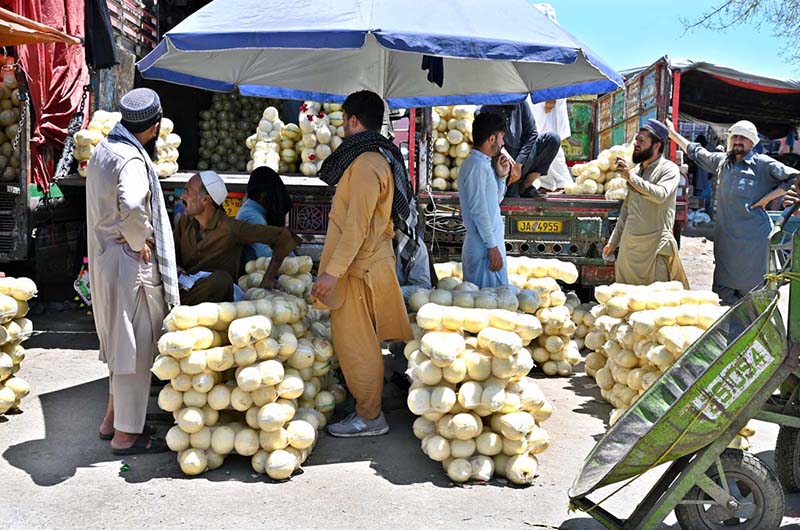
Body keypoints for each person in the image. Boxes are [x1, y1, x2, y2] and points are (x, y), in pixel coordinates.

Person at [311, 90, 413, 437]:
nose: (342, 128)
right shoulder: (371, 158)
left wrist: (331, 274)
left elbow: (356, 226)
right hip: (365, 263)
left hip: (359, 268)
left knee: (357, 345)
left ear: (354, 121)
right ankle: (369, 409)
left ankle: (370, 417)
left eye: (343, 121)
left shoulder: (368, 163)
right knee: (363, 342)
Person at [86, 88, 179, 455]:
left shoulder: (105, 149)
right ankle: (126, 435)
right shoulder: (131, 160)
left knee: (117, 343)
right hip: (130, 268)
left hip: (106, 261)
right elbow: (133, 201)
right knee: (135, 350)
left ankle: (111, 420)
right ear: (154, 127)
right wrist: (139, 239)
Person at [669, 120, 798, 304]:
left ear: (752, 142)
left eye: (743, 137)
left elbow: (795, 177)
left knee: (753, 298)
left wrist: (768, 198)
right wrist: (673, 134)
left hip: (753, 242)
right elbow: (697, 152)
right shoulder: (722, 163)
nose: (738, 141)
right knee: (721, 296)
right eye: (735, 136)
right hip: (726, 242)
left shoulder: (762, 164)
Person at [175, 170, 300, 304]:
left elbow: (284, 237)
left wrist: (267, 279)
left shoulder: (231, 228)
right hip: (185, 288)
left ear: (205, 199)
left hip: (216, 296)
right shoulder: (185, 222)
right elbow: (171, 252)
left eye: (187, 192)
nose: (182, 196)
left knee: (221, 281)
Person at [603, 119, 689, 288]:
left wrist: (630, 178)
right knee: (626, 303)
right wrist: (613, 242)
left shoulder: (669, 169)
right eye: (636, 140)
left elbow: (660, 195)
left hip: (654, 249)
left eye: (641, 141)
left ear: (657, 145)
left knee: (655, 305)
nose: (636, 144)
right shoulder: (636, 171)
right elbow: (627, 210)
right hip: (629, 251)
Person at [458, 111, 515, 288]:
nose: (502, 143)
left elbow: (492, 203)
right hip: (483, 247)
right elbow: (478, 210)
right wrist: (491, 246)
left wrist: (500, 177)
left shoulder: (483, 164)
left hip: (487, 245)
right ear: (491, 139)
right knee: (486, 303)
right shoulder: (476, 166)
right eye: (501, 138)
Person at [479, 98, 560, 198]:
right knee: (512, 196)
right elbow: (487, 140)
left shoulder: (520, 102)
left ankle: (526, 185)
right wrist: (504, 153)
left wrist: (519, 163)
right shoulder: (486, 109)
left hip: (523, 160)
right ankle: (511, 187)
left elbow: (532, 133)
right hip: (502, 162)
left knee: (553, 139)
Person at [236, 166, 293, 264]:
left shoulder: (257, 212)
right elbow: (265, 255)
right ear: (262, 195)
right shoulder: (252, 216)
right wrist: (293, 263)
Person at [530, 99, 573, 192]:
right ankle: (547, 183)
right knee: (541, 142)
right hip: (539, 100)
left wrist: (551, 97)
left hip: (547, 101)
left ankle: (564, 182)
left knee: (550, 142)